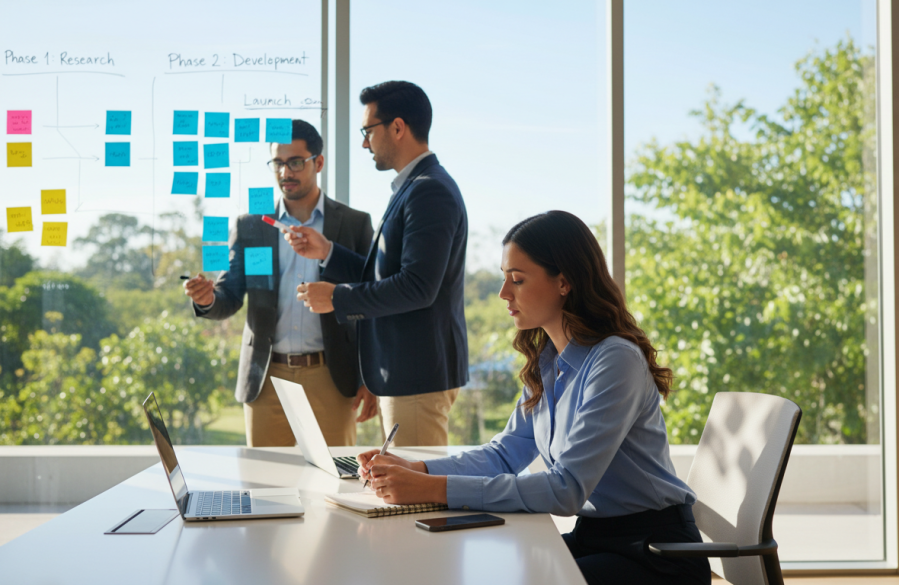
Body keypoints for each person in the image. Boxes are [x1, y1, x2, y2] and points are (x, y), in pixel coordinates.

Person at [353, 211, 711, 585]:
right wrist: (417, 470)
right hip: (597, 539)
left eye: (517, 280)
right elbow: (504, 455)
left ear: (564, 282)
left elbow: (566, 489)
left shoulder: (615, 359)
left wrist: (431, 489)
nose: (503, 293)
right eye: (504, 278)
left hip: (655, 555)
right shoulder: (548, 361)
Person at [285, 81, 468, 447]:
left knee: (416, 497)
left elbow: (417, 287)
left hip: (416, 377)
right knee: (405, 491)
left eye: (368, 130)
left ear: (397, 128)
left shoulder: (428, 190)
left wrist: (338, 298)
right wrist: (329, 253)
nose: (364, 143)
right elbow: (387, 274)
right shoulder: (413, 187)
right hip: (406, 377)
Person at [183, 119, 377, 447]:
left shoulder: (354, 223)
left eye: (296, 162)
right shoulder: (251, 227)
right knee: (264, 488)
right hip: (266, 378)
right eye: (278, 163)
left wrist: (369, 378)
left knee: (334, 487)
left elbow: (372, 300)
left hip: (332, 377)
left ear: (318, 162)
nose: (286, 172)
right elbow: (229, 295)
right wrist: (206, 300)